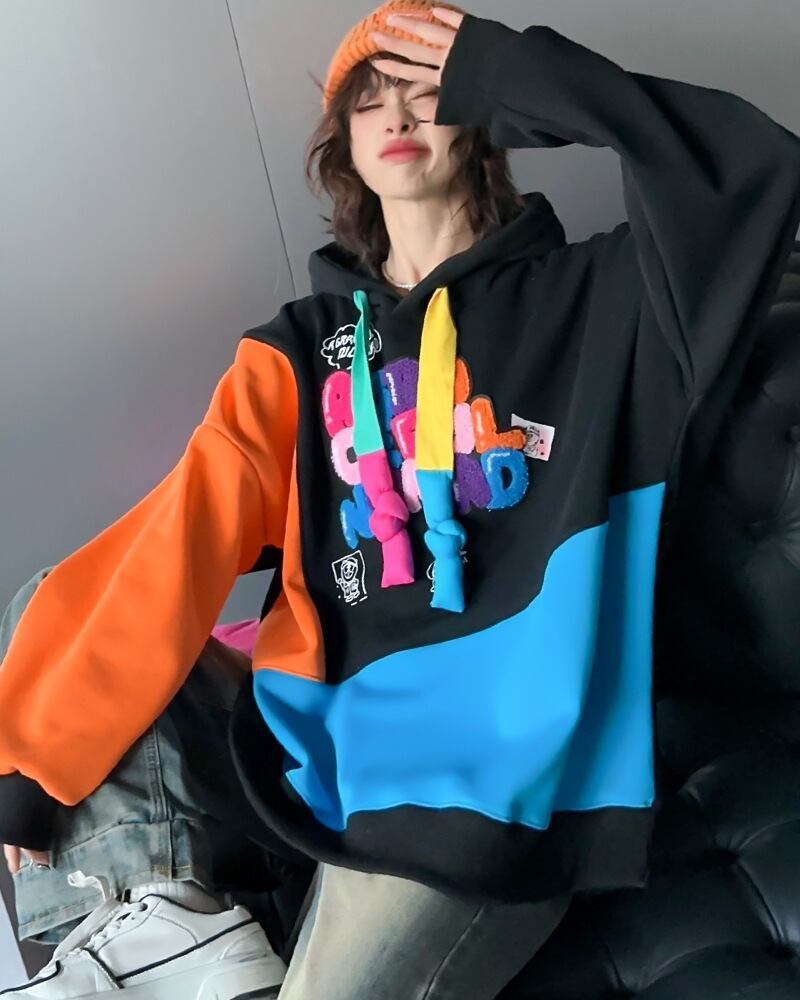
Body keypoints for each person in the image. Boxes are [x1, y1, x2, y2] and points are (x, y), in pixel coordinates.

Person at [2, 1, 799, 997]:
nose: (397, 112)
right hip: (315, 750)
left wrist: (517, 70)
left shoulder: (609, 297)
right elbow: (179, 536)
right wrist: (32, 760)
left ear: (482, 120)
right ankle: (160, 932)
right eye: (367, 98)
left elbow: (753, 168)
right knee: (47, 609)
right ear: (342, 147)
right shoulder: (298, 349)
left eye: (426, 88)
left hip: (489, 782)